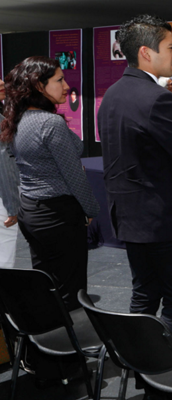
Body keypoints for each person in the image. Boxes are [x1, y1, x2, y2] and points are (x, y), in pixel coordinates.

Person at [97, 15, 172, 337]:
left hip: (129, 218)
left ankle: (141, 366)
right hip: (164, 219)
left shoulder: (111, 96)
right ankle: (166, 378)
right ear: (146, 52)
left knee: (143, 295)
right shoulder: (159, 99)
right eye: (170, 48)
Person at [0, 57, 99, 309]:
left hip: (32, 212)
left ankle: (46, 342)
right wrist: (90, 210)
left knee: (47, 285)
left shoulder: (18, 119)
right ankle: (72, 344)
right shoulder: (49, 123)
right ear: (39, 86)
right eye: (59, 80)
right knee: (72, 293)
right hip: (59, 214)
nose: (66, 86)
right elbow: (74, 175)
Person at [0, 77, 21, 268]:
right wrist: (12, 207)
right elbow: (4, 166)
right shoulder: (1, 124)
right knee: (4, 258)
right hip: (1, 201)